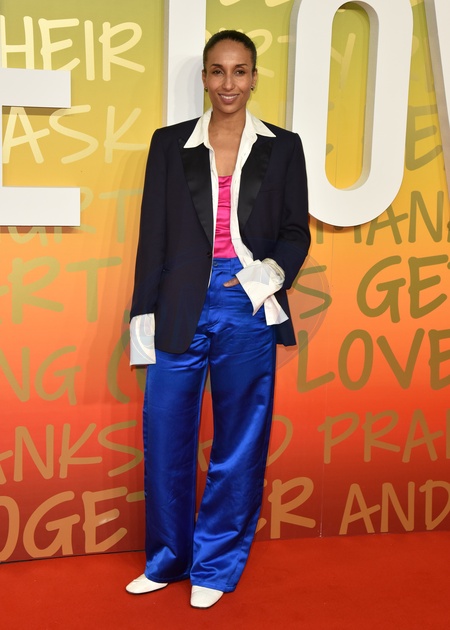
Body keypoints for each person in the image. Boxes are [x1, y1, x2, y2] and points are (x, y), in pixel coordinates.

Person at [126, 29, 310, 608]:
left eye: (239, 70)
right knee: (166, 434)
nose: (228, 82)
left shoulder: (284, 147)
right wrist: (143, 318)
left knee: (239, 439)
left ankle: (216, 564)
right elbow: (152, 236)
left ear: (254, 77)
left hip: (245, 303)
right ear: (204, 77)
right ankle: (166, 560)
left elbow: (295, 233)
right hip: (179, 301)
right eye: (217, 70)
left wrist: (259, 280)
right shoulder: (169, 143)